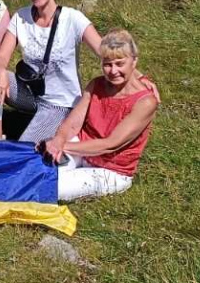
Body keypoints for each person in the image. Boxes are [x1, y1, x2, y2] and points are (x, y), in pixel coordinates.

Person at [0, 0, 100, 143]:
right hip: (30, 93)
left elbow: (103, 50)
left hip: (60, 103)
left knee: (25, 149)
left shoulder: (73, 18)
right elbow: (2, 56)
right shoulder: (21, 17)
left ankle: (41, 130)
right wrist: (2, 72)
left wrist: (136, 77)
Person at [41, 29, 157, 201]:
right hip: (82, 149)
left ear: (134, 62)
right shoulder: (96, 84)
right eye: (107, 64)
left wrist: (62, 146)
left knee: (49, 187)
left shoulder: (145, 102)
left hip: (112, 170)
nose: (113, 71)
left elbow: (110, 145)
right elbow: (73, 124)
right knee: (38, 169)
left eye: (119, 63)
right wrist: (58, 139)